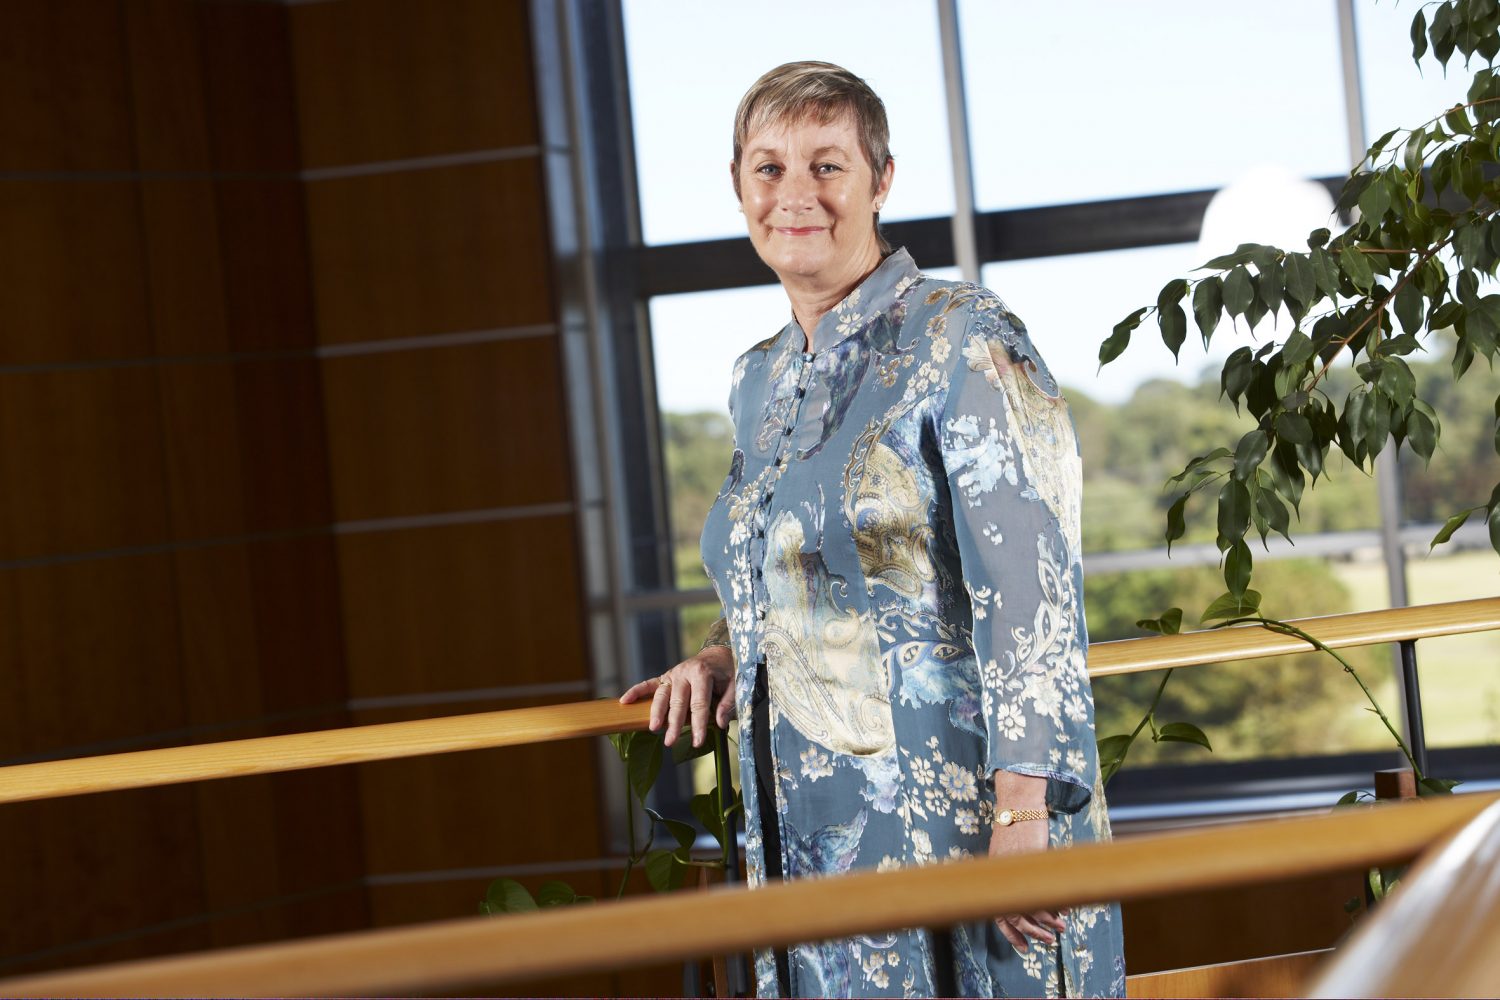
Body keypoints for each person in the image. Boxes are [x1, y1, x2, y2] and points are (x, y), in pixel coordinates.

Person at [621, 60, 1125, 998]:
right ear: (739, 188)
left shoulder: (963, 335)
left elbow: (1033, 590)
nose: (795, 195)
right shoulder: (757, 379)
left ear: (880, 182)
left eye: (827, 165)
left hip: (962, 824)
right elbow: (782, 561)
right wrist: (724, 654)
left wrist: (1023, 818)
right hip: (804, 839)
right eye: (768, 169)